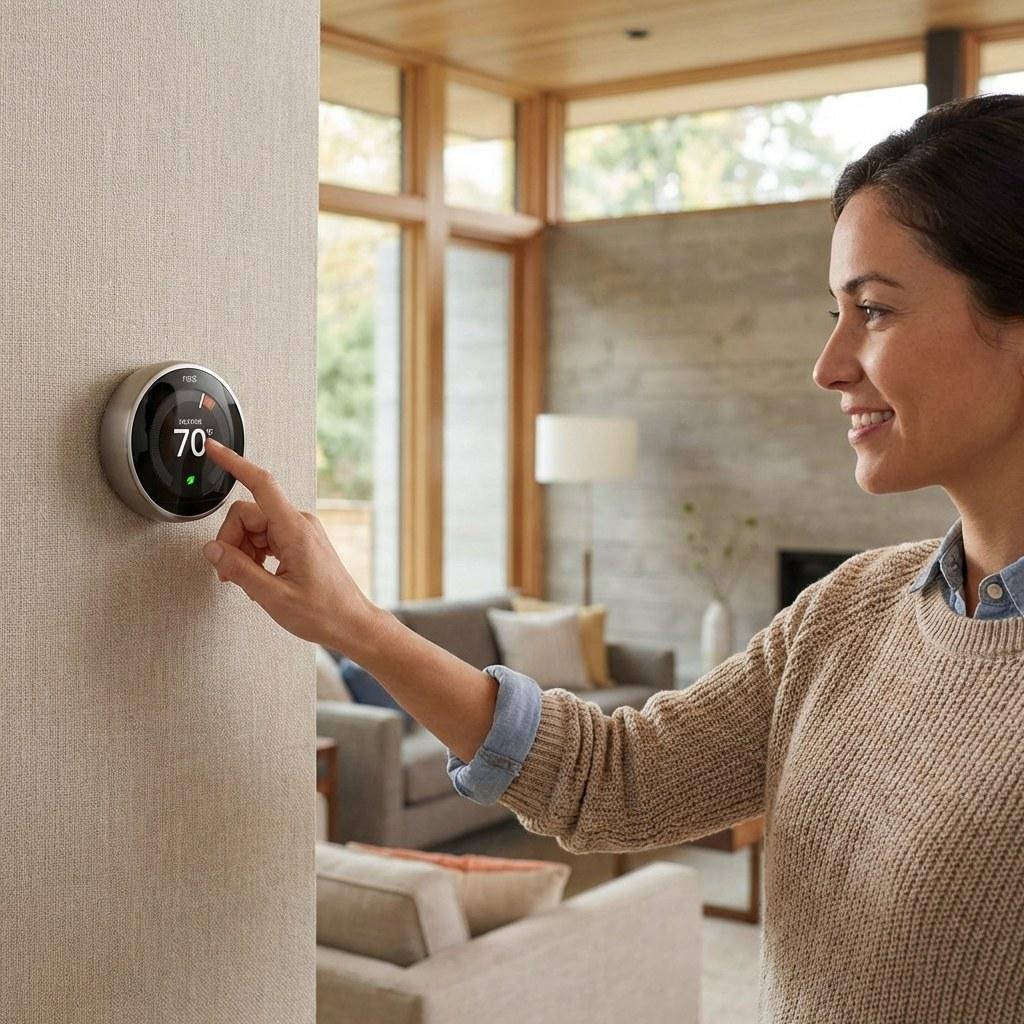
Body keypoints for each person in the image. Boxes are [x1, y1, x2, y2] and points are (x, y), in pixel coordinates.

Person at [200, 93, 1024, 1022]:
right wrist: (353, 623)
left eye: (872, 310)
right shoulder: (847, 612)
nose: (829, 365)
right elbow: (616, 783)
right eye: (836, 311)